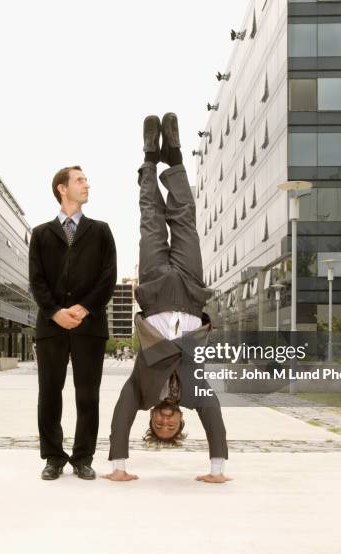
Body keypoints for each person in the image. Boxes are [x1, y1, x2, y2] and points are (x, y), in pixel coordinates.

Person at [103, 113, 230, 484]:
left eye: (158, 424)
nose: (164, 419)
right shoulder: (197, 395)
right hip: (191, 292)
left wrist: (119, 468)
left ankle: (148, 159)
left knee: (151, 222)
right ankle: (174, 157)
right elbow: (217, 422)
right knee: (185, 220)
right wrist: (217, 471)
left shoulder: (140, 391)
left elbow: (120, 419)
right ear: (180, 422)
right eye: (169, 425)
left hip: (156, 291)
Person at [29, 165, 117, 480]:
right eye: (80, 180)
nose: (87, 185)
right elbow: (36, 281)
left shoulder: (101, 230)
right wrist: (55, 312)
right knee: (49, 393)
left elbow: (109, 278)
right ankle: (53, 457)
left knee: (87, 394)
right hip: (51, 326)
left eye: (86, 180)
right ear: (62, 188)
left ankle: (83, 457)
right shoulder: (40, 234)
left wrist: (83, 308)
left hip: (89, 325)